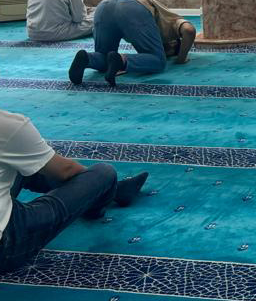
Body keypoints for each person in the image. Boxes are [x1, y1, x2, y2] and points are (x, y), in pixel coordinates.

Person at [1, 108, 148, 274]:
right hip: (7, 245)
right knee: (103, 172)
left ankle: (109, 191)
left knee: (24, 162)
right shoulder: (8, 125)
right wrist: (91, 180)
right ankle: (104, 195)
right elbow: (65, 170)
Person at [68, 0, 197, 86]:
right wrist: (181, 58)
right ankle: (121, 60)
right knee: (158, 61)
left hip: (104, 5)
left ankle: (87, 58)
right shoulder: (172, 22)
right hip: (132, 8)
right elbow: (189, 30)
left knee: (104, 55)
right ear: (174, 42)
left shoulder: (155, 32)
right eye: (171, 50)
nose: (168, 51)